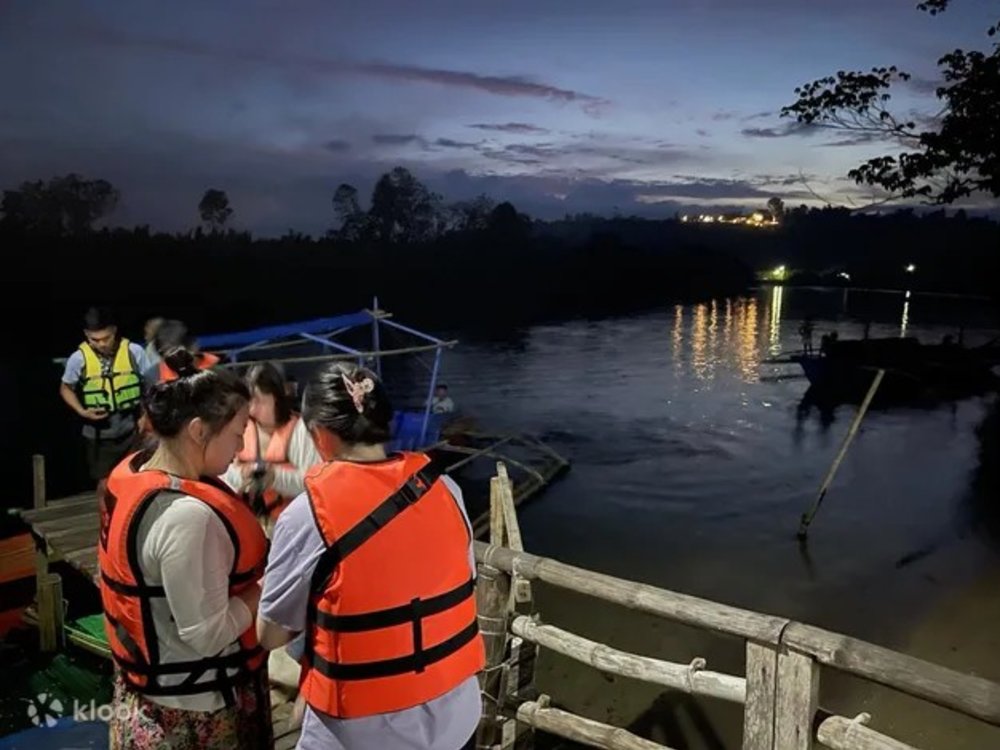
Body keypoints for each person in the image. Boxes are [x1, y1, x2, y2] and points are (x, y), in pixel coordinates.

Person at [256, 362, 484, 750]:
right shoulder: (446, 489)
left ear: (320, 435)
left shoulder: (307, 515)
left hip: (360, 735)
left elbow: (270, 634)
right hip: (456, 720)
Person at [98, 349, 272, 749]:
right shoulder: (187, 517)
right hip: (194, 711)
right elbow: (207, 635)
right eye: (237, 430)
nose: (242, 444)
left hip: (144, 694)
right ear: (197, 431)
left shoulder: (139, 469)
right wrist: (273, 581)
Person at [223, 362, 321, 533]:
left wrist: (275, 477)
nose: (252, 409)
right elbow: (221, 476)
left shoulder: (300, 431)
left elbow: (314, 483)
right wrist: (241, 476)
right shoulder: (241, 428)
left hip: (292, 530)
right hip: (246, 528)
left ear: (278, 398)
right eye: (250, 402)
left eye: (260, 401)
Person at [59, 306, 150, 482]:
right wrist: (82, 411)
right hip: (98, 432)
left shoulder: (134, 351)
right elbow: (66, 388)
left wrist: (145, 415)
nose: (101, 344)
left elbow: (150, 385)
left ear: (114, 331)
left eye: (106, 338)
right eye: (95, 339)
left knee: (136, 476)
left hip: (131, 426)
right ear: (86, 335)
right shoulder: (78, 359)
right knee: (104, 481)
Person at [153, 319, 221, 382]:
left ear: (193, 347)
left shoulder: (220, 370)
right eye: (164, 352)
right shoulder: (153, 378)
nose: (173, 357)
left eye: (177, 352)